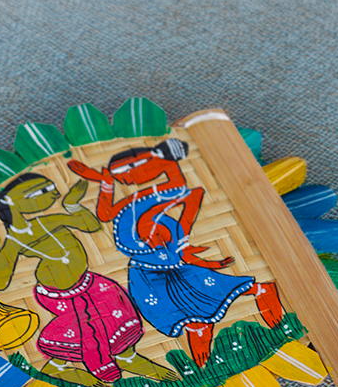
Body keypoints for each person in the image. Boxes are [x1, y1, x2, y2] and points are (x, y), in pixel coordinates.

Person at [68, 140, 284, 367]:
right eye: (118, 173)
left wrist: (181, 243)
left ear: (154, 162)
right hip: (144, 265)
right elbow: (104, 214)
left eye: (126, 170)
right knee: (178, 313)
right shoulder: (133, 199)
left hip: (167, 254)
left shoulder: (167, 190)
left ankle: (271, 314)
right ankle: (203, 359)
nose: (124, 177)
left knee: (215, 290)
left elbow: (194, 194)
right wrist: (106, 182)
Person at [0, 173, 177, 386]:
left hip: (91, 283)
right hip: (61, 295)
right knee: (85, 329)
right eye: (41, 191)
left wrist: (73, 205)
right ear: (10, 202)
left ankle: (127, 357)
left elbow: (90, 225)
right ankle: (61, 368)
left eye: (50, 189)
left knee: (115, 319)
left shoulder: (49, 220)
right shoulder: (15, 240)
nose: (53, 193)